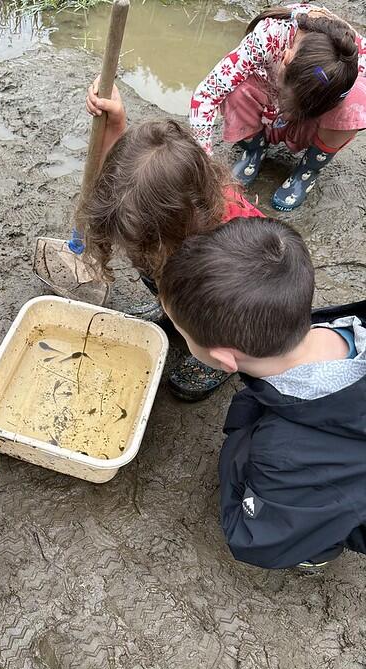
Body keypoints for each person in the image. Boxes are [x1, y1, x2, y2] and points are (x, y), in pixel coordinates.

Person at [159, 216, 366, 571]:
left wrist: (238, 453)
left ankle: (317, 551)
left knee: (293, 520)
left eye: (183, 333)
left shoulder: (283, 456)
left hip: (330, 485)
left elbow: (255, 541)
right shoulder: (345, 324)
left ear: (224, 359)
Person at [81, 99, 265, 400]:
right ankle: (169, 307)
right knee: (149, 264)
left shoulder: (234, 243)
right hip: (183, 257)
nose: (134, 250)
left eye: (149, 240)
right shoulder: (177, 188)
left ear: (183, 219)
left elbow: (252, 307)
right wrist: (116, 126)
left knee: (214, 315)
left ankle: (216, 358)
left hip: (234, 300)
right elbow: (123, 180)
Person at [190, 4, 364, 211]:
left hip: (312, 116)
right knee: (235, 86)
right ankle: (255, 150)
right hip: (267, 101)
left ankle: (307, 170)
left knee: (357, 103)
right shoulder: (267, 36)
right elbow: (206, 95)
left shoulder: (356, 60)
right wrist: (206, 166)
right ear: (286, 58)